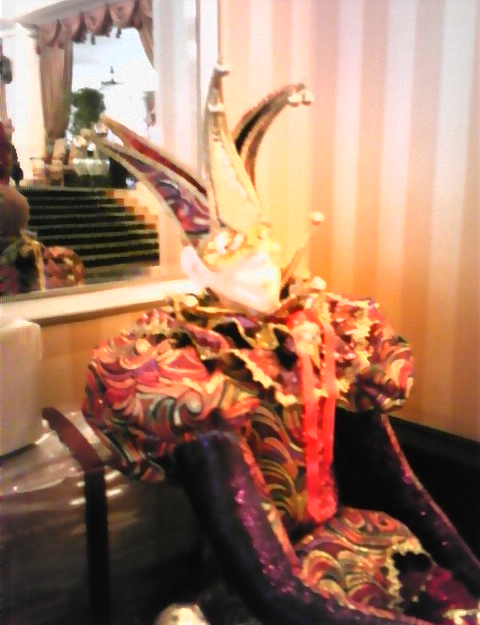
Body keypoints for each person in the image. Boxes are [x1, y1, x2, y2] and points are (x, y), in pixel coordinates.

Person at [83, 63, 480, 625]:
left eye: (264, 244)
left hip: (357, 546)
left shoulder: (319, 333)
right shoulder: (190, 374)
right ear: (199, 267)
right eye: (240, 254)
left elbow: (400, 486)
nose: (266, 266)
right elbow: (270, 582)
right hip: (268, 591)